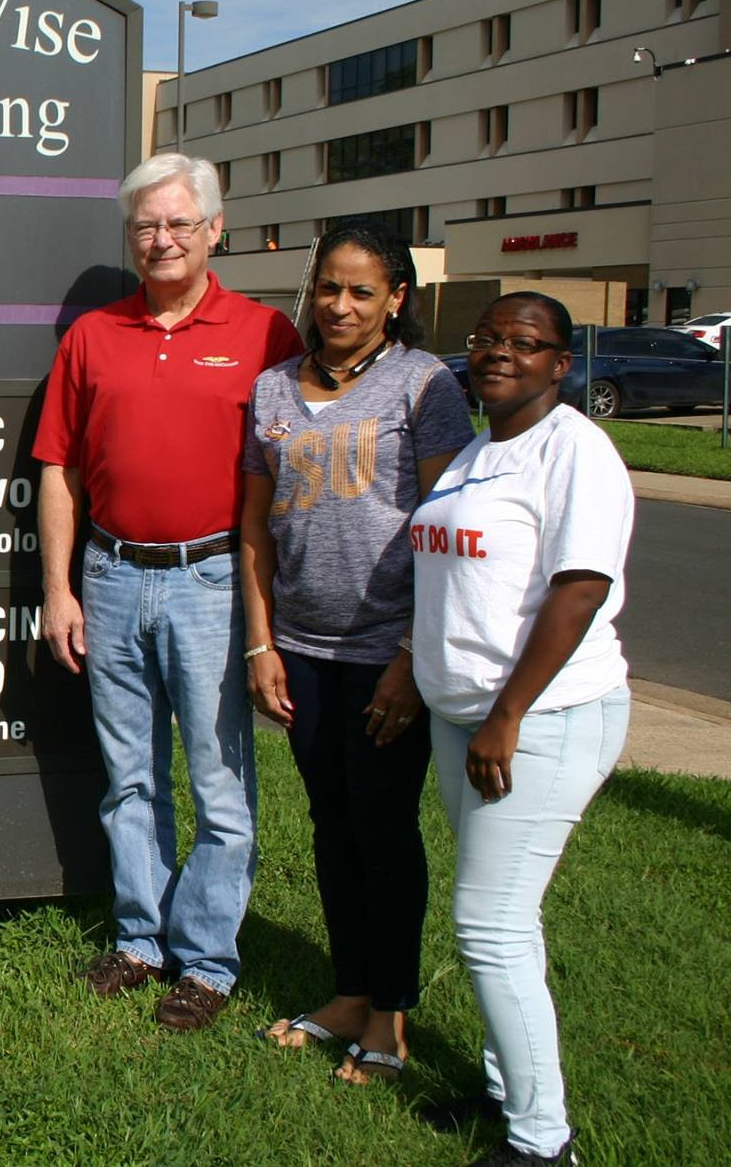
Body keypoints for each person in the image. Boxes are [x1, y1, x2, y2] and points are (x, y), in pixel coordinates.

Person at [34, 152, 304, 1030]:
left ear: (215, 229)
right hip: (111, 575)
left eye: (179, 223)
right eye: (146, 225)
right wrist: (59, 588)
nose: (161, 240)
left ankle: (208, 959)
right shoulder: (93, 336)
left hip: (212, 579)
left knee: (220, 783)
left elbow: (296, 467)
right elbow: (60, 468)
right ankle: (141, 939)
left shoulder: (266, 335)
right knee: (128, 779)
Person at [238, 224, 474, 1083]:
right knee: (331, 824)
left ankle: (390, 1013)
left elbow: (449, 526)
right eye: (329, 288)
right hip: (301, 648)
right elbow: (255, 526)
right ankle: (348, 992)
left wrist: (412, 656)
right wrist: (260, 642)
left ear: (396, 299)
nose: (340, 305)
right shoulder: (272, 388)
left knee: (383, 828)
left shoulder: (424, 384)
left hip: (386, 652)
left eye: (362, 291)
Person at [410, 292, 632, 1167]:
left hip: (541, 718)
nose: (501, 352)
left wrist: (507, 714)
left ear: (560, 363)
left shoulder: (575, 450)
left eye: (525, 342)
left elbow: (580, 588)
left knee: (489, 923)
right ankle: (508, 1090)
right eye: (488, 338)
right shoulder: (479, 450)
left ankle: (543, 1143)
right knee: (506, 920)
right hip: (461, 716)